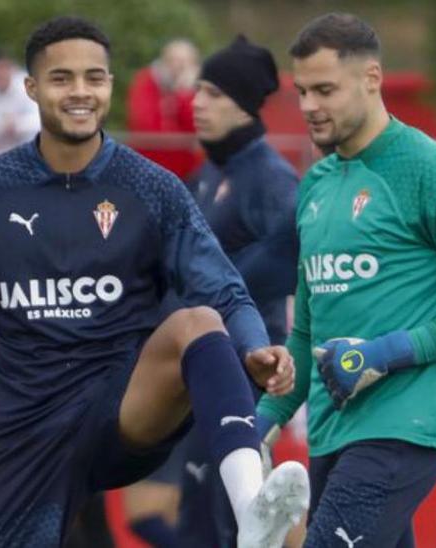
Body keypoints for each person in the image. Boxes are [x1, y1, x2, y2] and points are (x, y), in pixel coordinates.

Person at [0, 16, 310, 548]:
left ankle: (251, 507)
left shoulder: (152, 187)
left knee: (198, 321)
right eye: (62, 78)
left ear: (110, 85)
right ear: (31, 88)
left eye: (94, 77)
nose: (80, 92)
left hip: (119, 412)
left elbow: (225, 288)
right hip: (22, 430)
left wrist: (255, 345)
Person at [253, 13, 436, 547]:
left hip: (405, 425)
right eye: (302, 91)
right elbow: (307, 333)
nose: (309, 106)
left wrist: (389, 351)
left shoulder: (432, 170)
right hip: (333, 431)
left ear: (372, 79)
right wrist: (260, 419)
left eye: (325, 90)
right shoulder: (316, 186)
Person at [155, 34, 299, 548]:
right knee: (199, 518)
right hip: (199, 366)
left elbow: (283, 267)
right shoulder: (209, 172)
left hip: (247, 368)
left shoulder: (271, 179)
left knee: (234, 521)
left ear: (243, 103)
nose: (198, 103)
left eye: (213, 93)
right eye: (197, 91)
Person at [127, 38, 202, 180]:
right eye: (173, 60)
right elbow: (145, 126)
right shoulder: (146, 81)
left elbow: (197, 128)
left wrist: (184, 95)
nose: (178, 66)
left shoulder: (200, 88)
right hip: (146, 170)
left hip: (188, 174)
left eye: (185, 62)